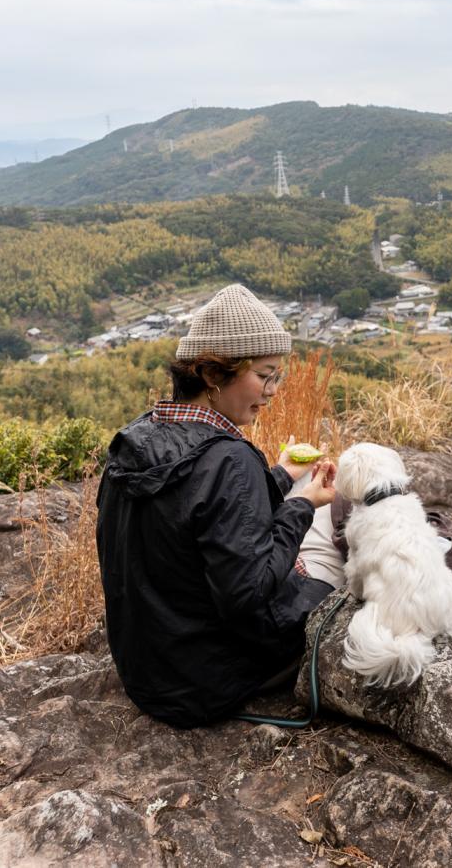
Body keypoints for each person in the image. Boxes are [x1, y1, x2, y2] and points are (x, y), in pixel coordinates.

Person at [97, 283, 337, 727]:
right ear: (212, 375)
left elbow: (190, 518)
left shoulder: (138, 436)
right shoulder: (229, 458)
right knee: (331, 588)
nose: (273, 390)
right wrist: (303, 504)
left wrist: (278, 476)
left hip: (148, 672)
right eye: (265, 375)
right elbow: (249, 594)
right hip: (205, 684)